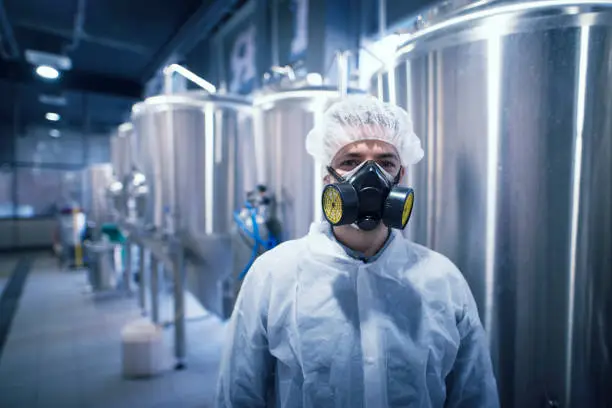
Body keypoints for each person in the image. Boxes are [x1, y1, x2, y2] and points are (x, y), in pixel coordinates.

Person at [215, 95, 499, 408]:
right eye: (350, 162)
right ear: (327, 175)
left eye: (385, 163)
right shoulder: (275, 274)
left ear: (400, 176)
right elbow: (239, 393)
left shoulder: (442, 279)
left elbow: (474, 394)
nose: (370, 177)